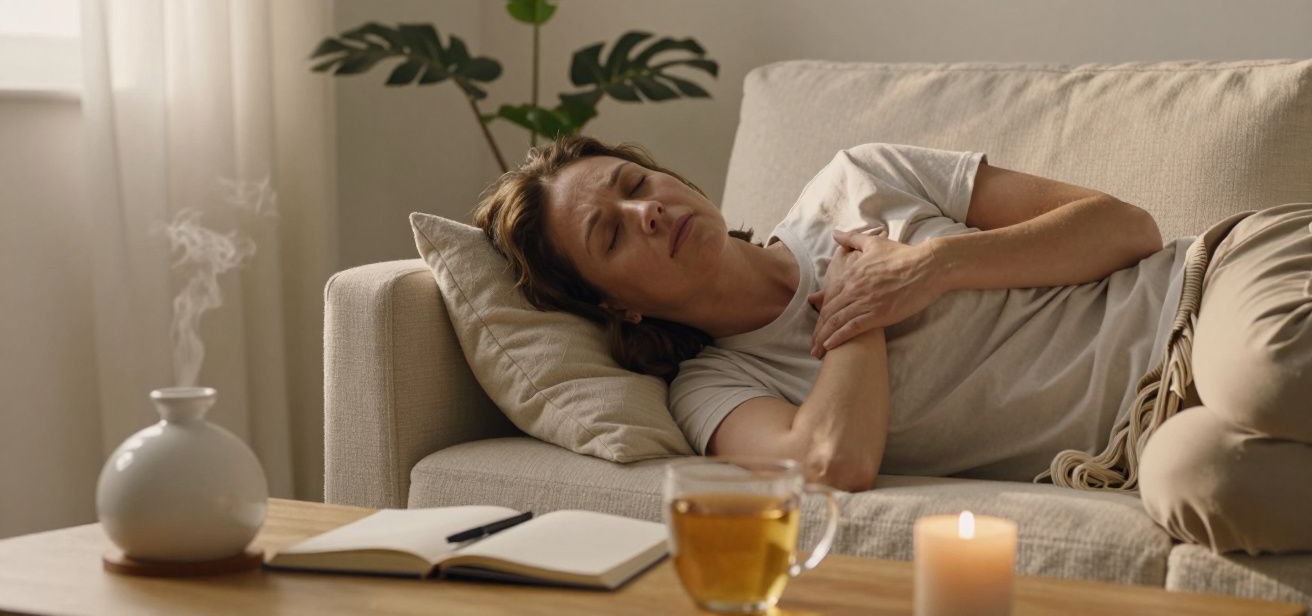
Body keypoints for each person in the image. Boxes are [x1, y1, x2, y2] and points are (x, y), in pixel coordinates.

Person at [473, 134, 1312, 556]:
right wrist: (860, 308)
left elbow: (1127, 228)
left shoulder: (857, 178)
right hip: (1149, 437)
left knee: (1270, 377)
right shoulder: (711, 390)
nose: (644, 210)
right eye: (610, 235)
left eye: (634, 183)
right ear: (612, 303)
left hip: (1212, 289)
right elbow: (832, 464)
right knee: (1208, 484)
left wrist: (933, 264)